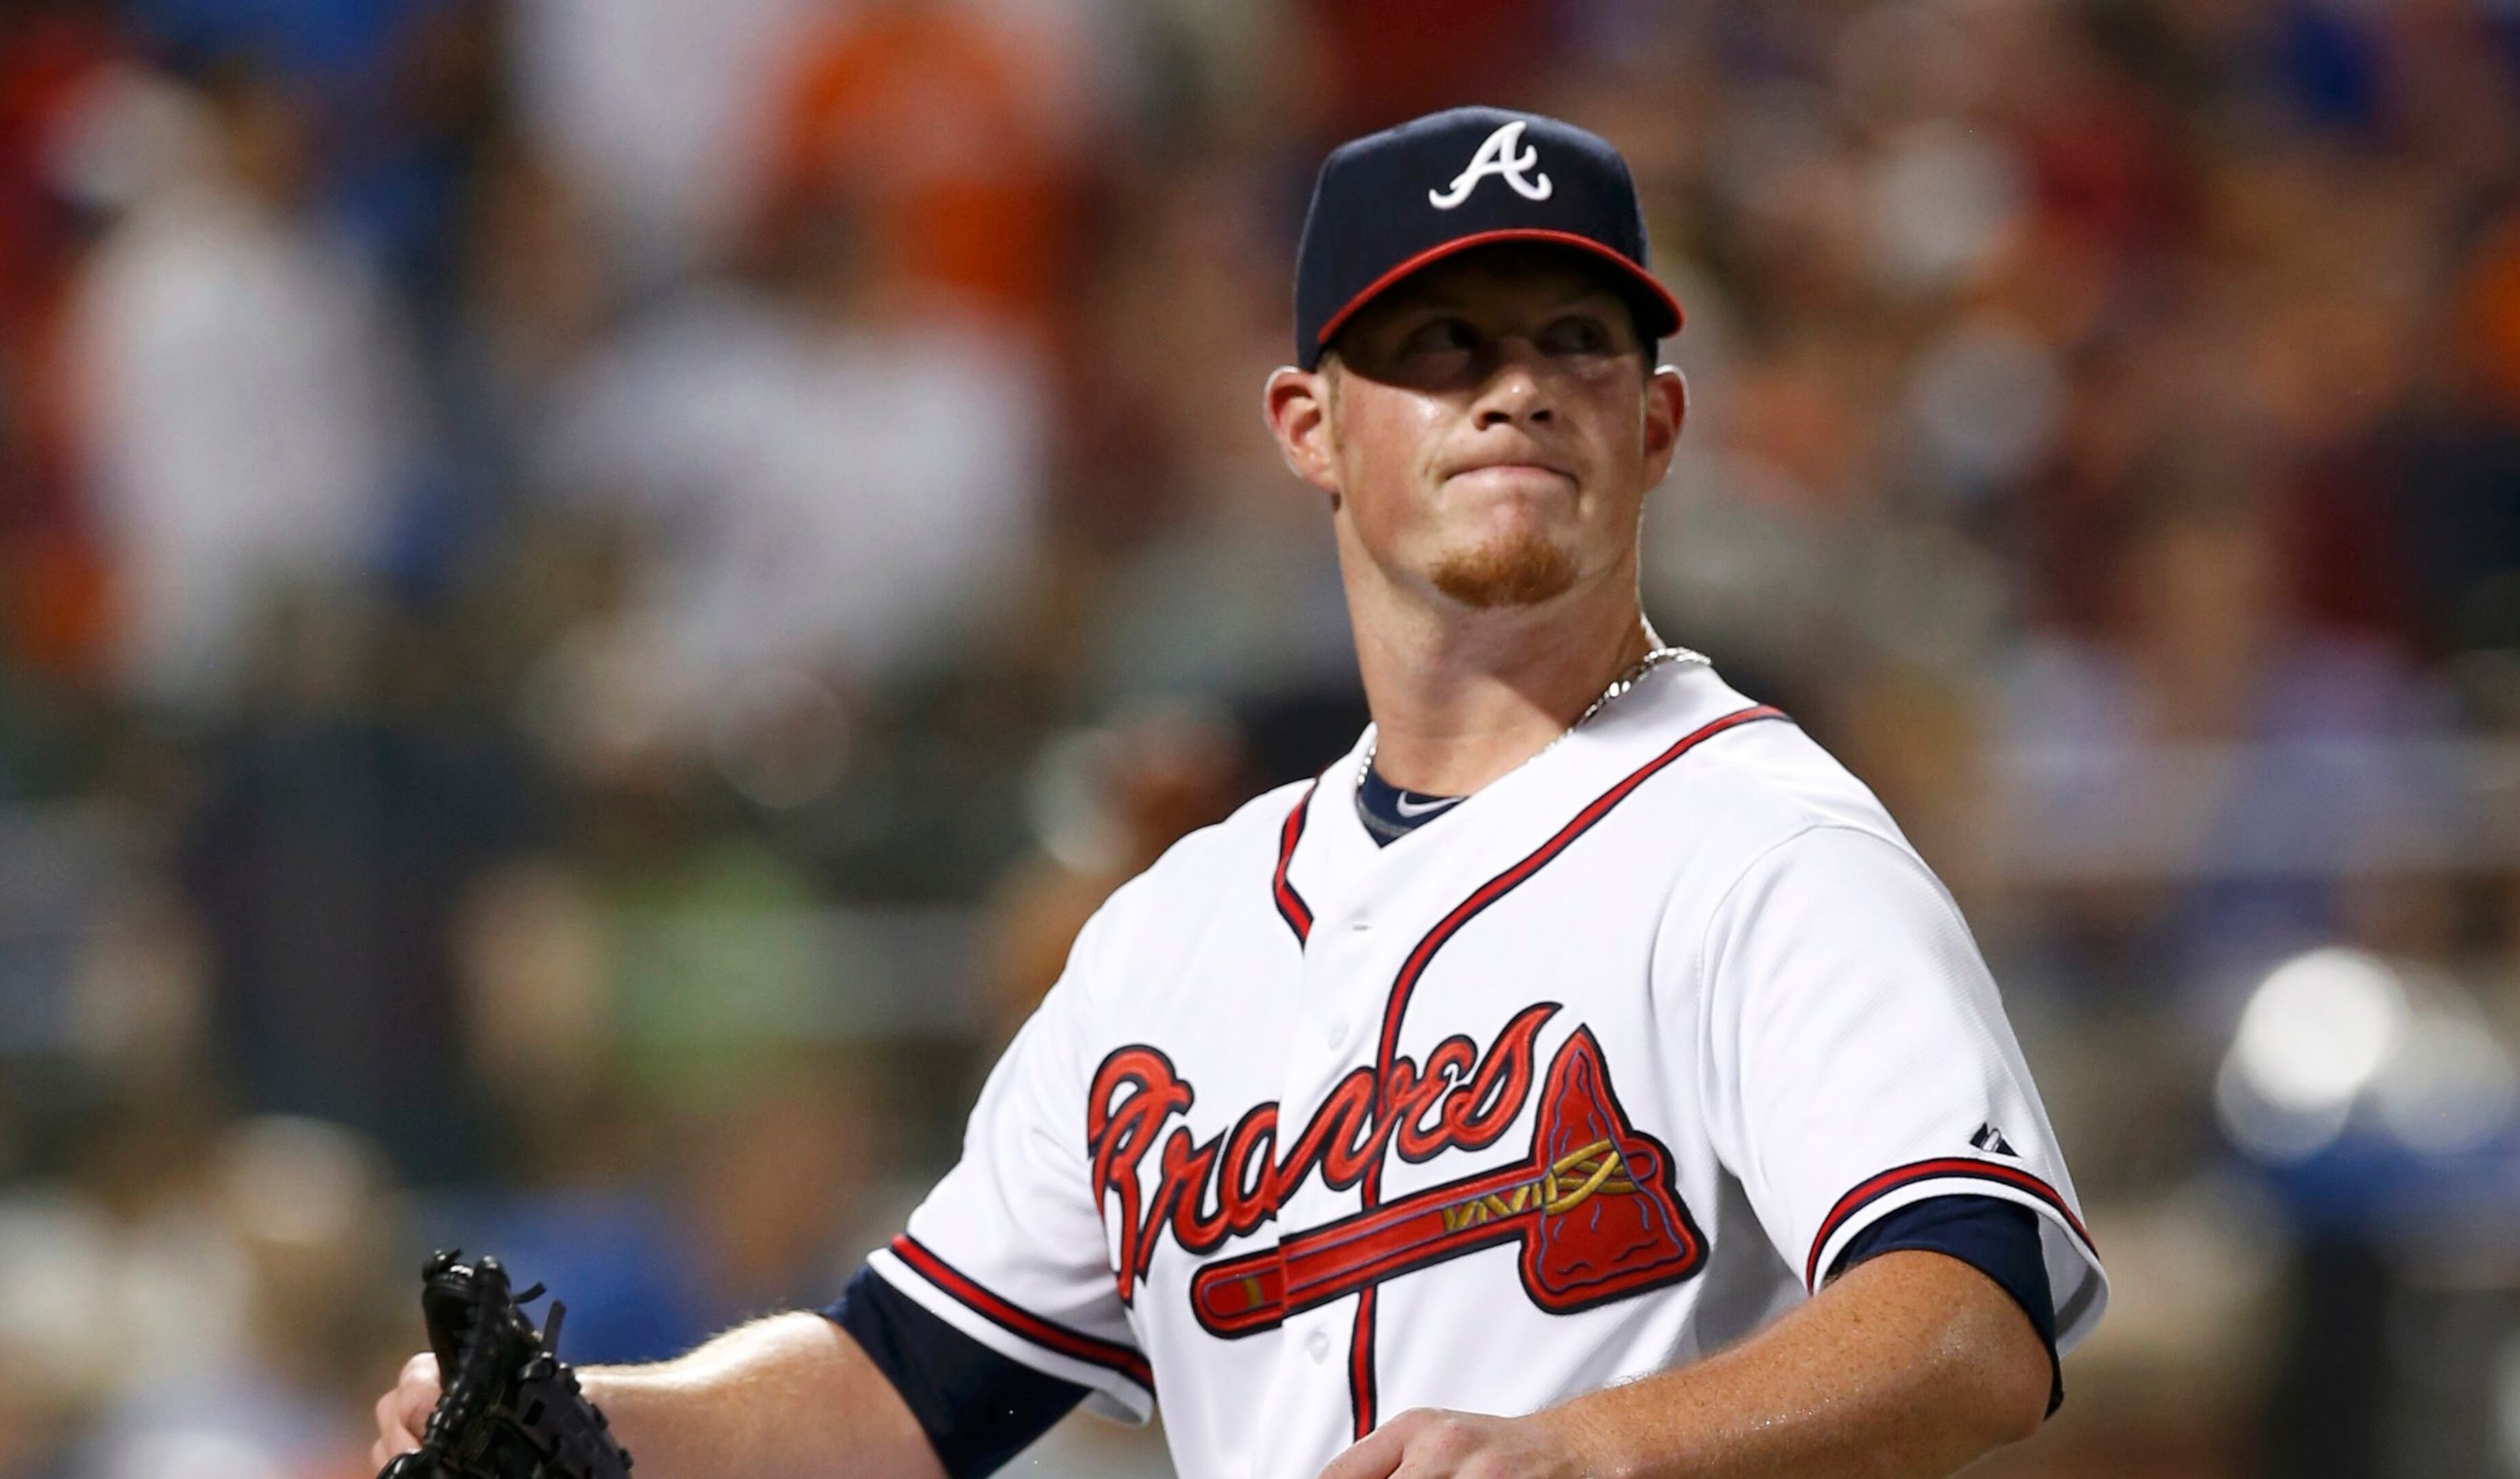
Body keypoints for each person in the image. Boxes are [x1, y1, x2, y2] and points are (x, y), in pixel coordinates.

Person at [373, 105, 2106, 1479]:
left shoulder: (1766, 844)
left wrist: (1595, 1452)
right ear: (1304, 425)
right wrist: (617, 1426)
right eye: (1436, 345)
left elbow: (1968, 1319)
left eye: (1573, 340)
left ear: (1652, 427)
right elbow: (900, 1392)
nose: (1512, 387)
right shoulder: (1176, 934)